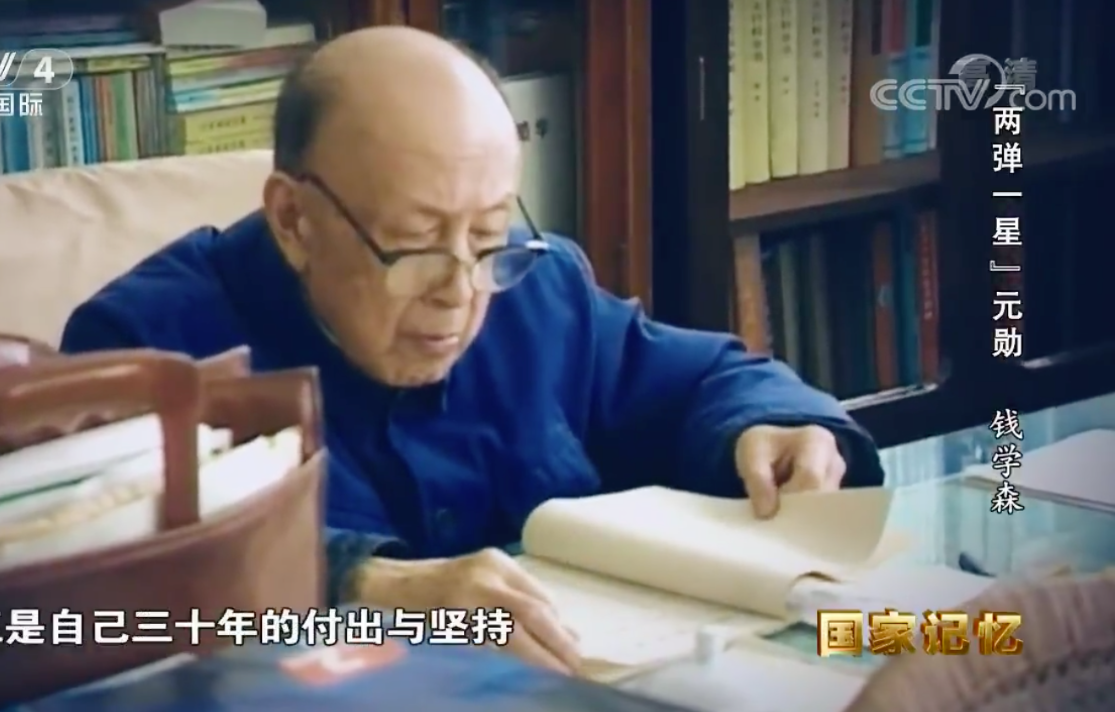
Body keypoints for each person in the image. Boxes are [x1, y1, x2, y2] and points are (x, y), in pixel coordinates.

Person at [61, 26, 885, 674]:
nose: (461, 291)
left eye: (489, 236)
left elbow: (708, 378)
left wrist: (771, 425)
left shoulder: (538, 288)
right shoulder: (143, 351)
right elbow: (112, 596)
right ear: (294, 220)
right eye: (418, 244)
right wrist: (362, 584)